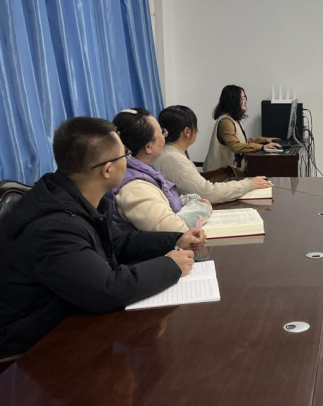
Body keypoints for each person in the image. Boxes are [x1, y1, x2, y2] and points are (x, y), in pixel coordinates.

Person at [0, 117, 205, 355]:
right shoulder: (54, 227)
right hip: (35, 346)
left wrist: (175, 239)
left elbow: (117, 243)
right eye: (125, 155)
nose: (129, 159)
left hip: (72, 317)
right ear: (107, 170)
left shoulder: (78, 198)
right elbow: (106, 289)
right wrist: (170, 266)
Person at [111, 108, 212, 232]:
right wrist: (202, 208)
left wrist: (191, 201)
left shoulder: (145, 171)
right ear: (149, 146)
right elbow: (175, 231)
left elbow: (169, 201)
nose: (165, 136)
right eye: (162, 132)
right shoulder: (136, 188)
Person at [155, 105, 273, 204]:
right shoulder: (173, 159)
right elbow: (208, 193)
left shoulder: (167, 152)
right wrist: (249, 184)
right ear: (187, 132)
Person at [203, 85, 281, 173]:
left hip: (232, 172)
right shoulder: (226, 121)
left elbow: (242, 142)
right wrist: (263, 147)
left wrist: (264, 140)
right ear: (233, 101)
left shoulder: (233, 120)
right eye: (242, 98)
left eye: (245, 98)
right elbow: (235, 146)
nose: (245, 101)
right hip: (220, 175)